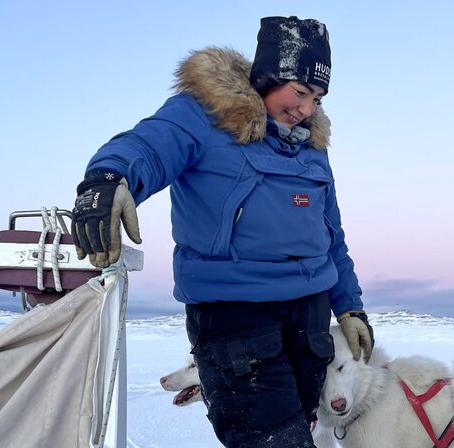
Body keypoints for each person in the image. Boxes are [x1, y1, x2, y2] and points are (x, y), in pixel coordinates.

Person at [71, 16, 374, 447]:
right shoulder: (204, 114)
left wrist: (349, 307)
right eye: (300, 91)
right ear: (268, 76)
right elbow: (147, 146)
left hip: (309, 319)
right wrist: (107, 179)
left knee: (300, 430)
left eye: (318, 98)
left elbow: (330, 236)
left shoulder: (311, 147)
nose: (307, 109)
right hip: (236, 316)